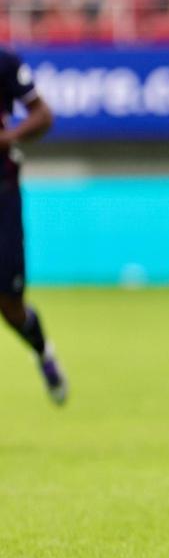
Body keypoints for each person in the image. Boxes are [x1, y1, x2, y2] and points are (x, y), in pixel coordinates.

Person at [0, 47, 68, 404]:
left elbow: (42, 115)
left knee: (10, 307)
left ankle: (44, 354)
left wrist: (7, 138)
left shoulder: (5, 63)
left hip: (2, 192)